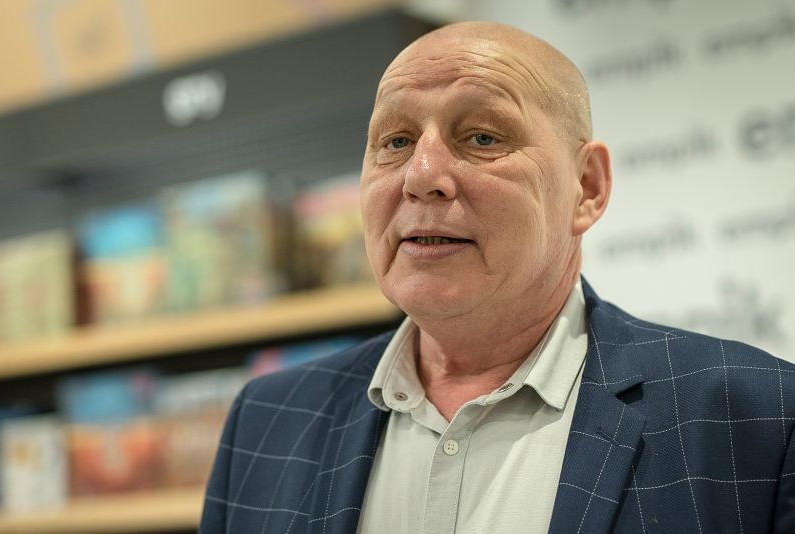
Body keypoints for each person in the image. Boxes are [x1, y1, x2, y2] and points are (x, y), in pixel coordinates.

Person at [199, 20, 795, 534]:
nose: (421, 176)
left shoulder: (758, 419)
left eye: (482, 137)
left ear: (586, 187)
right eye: (396, 141)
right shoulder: (266, 422)